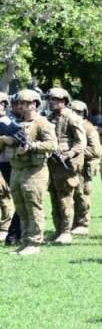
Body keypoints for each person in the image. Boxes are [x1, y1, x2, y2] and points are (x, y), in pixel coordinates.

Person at [0, 90, 58, 255]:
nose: (21, 106)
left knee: (33, 206)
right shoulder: (16, 123)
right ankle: (25, 241)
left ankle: (34, 242)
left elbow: (52, 144)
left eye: (25, 103)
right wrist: (8, 140)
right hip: (17, 168)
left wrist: (32, 146)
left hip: (34, 171)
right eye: (19, 103)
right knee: (21, 207)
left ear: (34, 104)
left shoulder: (42, 123)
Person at [44, 87, 86, 245]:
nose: (51, 102)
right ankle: (58, 230)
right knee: (54, 198)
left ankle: (66, 231)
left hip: (66, 165)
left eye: (55, 100)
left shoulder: (72, 118)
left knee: (65, 199)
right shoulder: (49, 118)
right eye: (50, 99)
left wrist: (68, 154)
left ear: (64, 101)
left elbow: (81, 142)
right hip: (51, 164)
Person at [69, 100, 101, 236]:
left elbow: (95, 151)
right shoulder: (69, 126)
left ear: (83, 113)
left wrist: (75, 151)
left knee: (82, 194)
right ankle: (73, 222)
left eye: (78, 112)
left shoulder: (88, 128)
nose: (74, 114)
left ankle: (83, 223)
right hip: (72, 166)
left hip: (84, 166)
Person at [0, 92, 15, 245]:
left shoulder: (10, 123)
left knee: (4, 194)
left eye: (2, 104)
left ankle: (5, 227)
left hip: (6, 162)